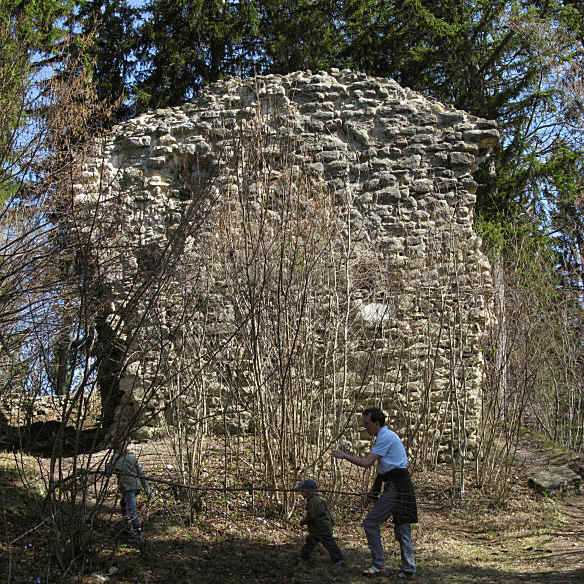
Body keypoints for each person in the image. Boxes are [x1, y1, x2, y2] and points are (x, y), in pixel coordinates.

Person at [332, 407, 417, 579]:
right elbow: (382, 469)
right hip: (398, 485)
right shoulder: (385, 437)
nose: (366, 428)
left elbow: (366, 463)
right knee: (402, 528)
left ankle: (379, 565)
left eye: (367, 423)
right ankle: (408, 568)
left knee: (371, 523)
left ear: (377, 423)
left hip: (397, 487)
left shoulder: (385, 437)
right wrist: (374, 491)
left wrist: (344, 456)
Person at [106, 444, 152, 544]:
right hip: (136, 487)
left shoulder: (116, 458)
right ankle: (128, 528)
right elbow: (141, 474)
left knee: (132, 510)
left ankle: (137, 534)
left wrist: (108, 462)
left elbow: (107, 473)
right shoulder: (131, 457)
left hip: (128, 488)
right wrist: (147, 490)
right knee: (124, 505)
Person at [294, 478, 345, 566]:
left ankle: (339, 560)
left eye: (303, 491)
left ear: (309, 491)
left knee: (329, 545)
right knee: (310, 543)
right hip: (318, 528)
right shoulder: (316, 500)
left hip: (322, 528)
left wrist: (303, 522)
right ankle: (303, 557)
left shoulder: (313, 501)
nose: (301, 493)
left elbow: (311, 515)